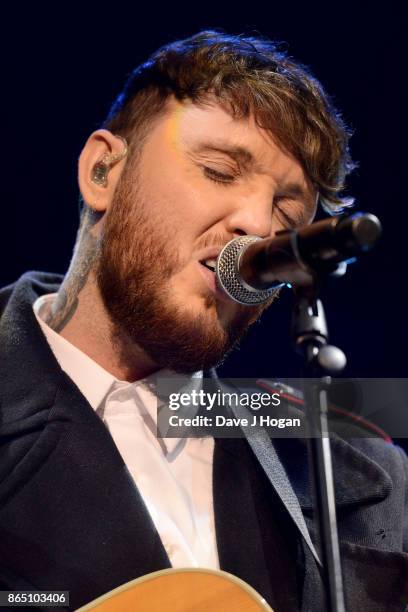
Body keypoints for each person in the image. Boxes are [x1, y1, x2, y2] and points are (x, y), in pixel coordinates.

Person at [0, 30, 407, 611]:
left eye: (287, 212)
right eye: (219, 170)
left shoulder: (356, 471)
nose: (256, 223)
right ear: (102, 172)